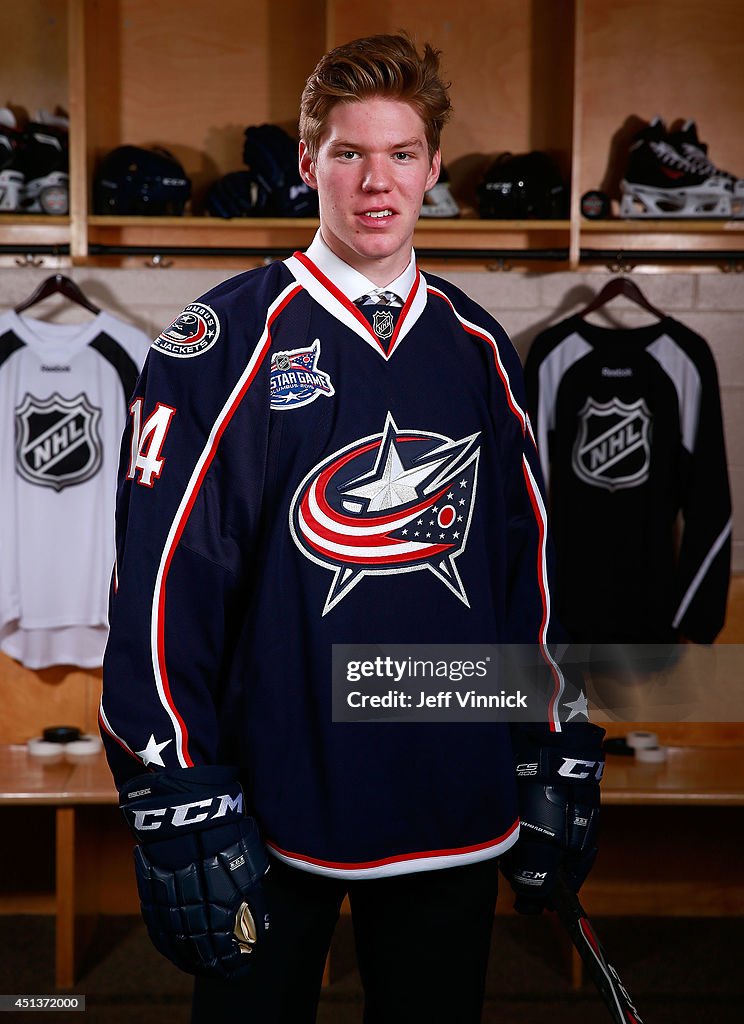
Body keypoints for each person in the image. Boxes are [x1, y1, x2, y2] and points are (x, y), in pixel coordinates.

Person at [100, 33, 604, 1024]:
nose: (379, 184)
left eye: (403, 154)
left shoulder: (477, 346)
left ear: (435, 168)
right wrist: (171, 773)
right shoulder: (219, 340)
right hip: (270, 797)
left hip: (448, 790)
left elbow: (525, 572)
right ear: (307, 163)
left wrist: (553, 739)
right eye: (349, 154)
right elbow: (162, 582)